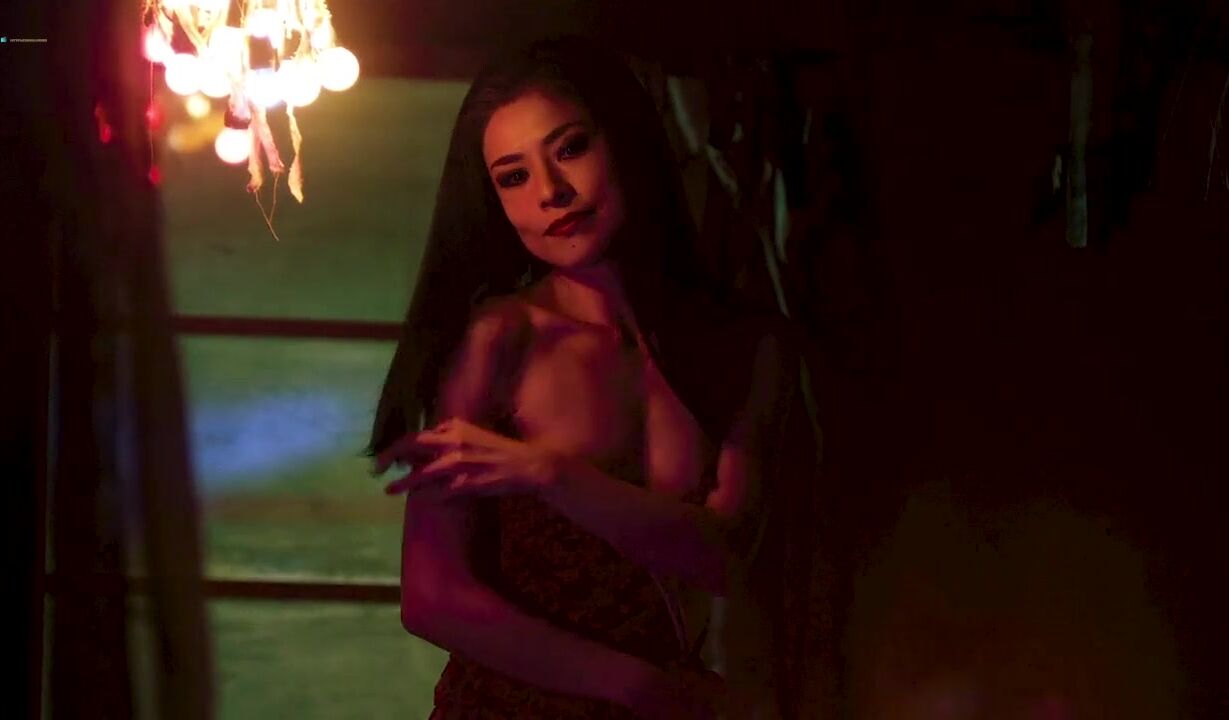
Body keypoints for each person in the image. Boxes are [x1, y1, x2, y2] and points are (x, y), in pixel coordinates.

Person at [369, 36, 806, 719]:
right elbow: (432, 599)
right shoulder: (498, 341)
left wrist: (550, 474)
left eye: (570, 148)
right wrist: (641, 686)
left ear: (625, 140)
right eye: (513, 177)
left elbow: (727, 560)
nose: (551, 192)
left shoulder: (747, 345)